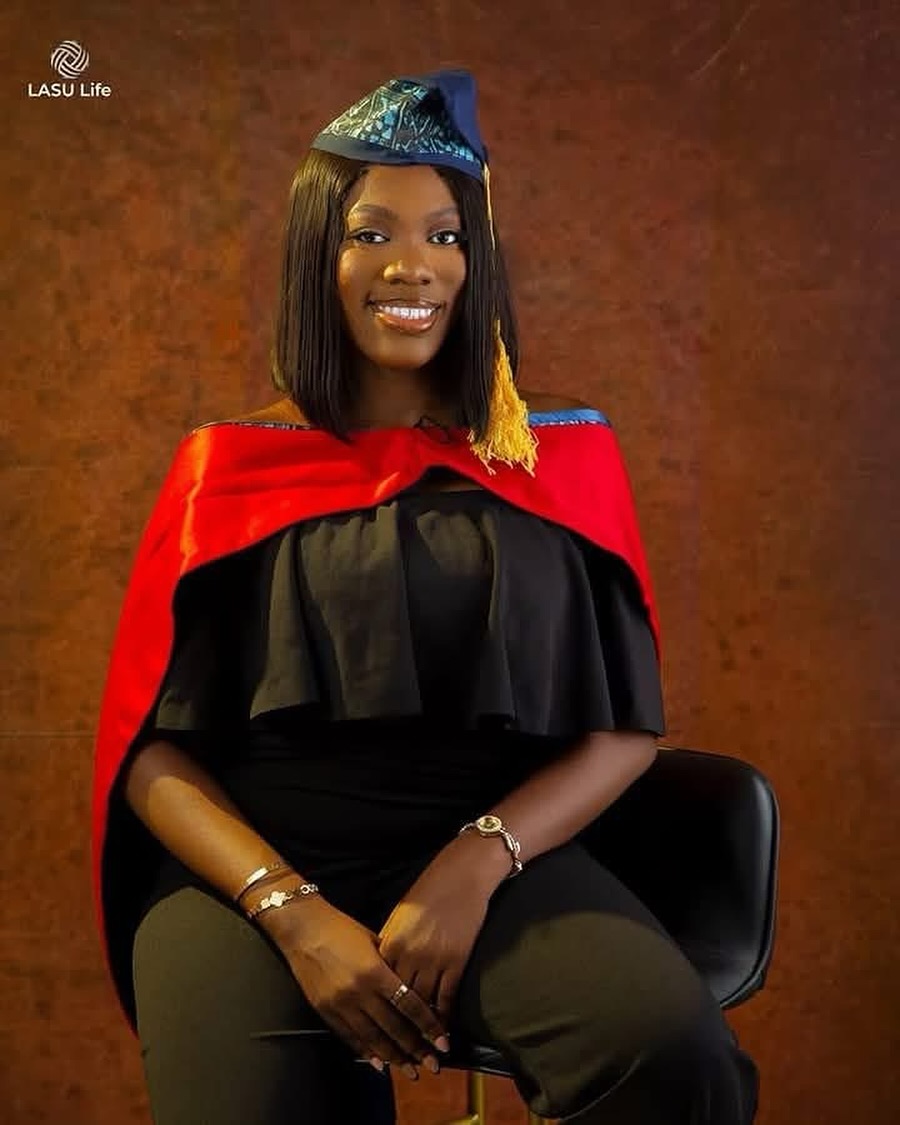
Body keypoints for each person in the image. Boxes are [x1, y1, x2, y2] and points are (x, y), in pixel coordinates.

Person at [92, 70, 759, 1124]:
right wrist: (291, 911)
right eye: (372, 233)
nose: (414, 264)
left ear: (477, 261)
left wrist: (475, 863)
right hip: (254, 873)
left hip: (497, 857)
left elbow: (625, 731)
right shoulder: (227, 469)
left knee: (673, 1062)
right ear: (318, 255)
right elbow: (150, 755)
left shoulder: (563, 460)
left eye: (447, 236)